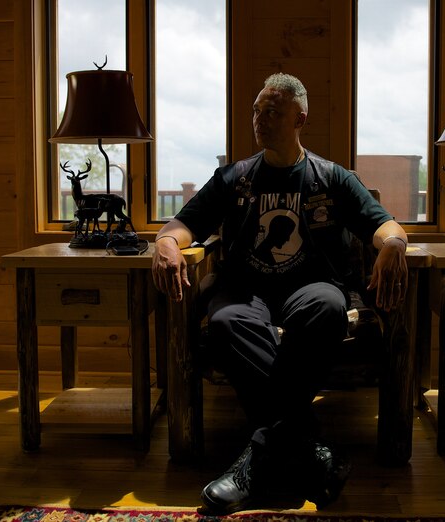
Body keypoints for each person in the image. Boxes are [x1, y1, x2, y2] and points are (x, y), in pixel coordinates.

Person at [151, 73, 408, 514]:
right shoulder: (234, 177)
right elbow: (182, 224)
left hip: (310, 285)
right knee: (228, 320)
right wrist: (166, 244)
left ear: (299, 118)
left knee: (327, 307)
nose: (260, 120)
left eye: (272, 111)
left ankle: (261, 454)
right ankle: (305, 448)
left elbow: (384, 225)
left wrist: (395, 245)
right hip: (244, 288)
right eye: (256, 110)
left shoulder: (332, 178)